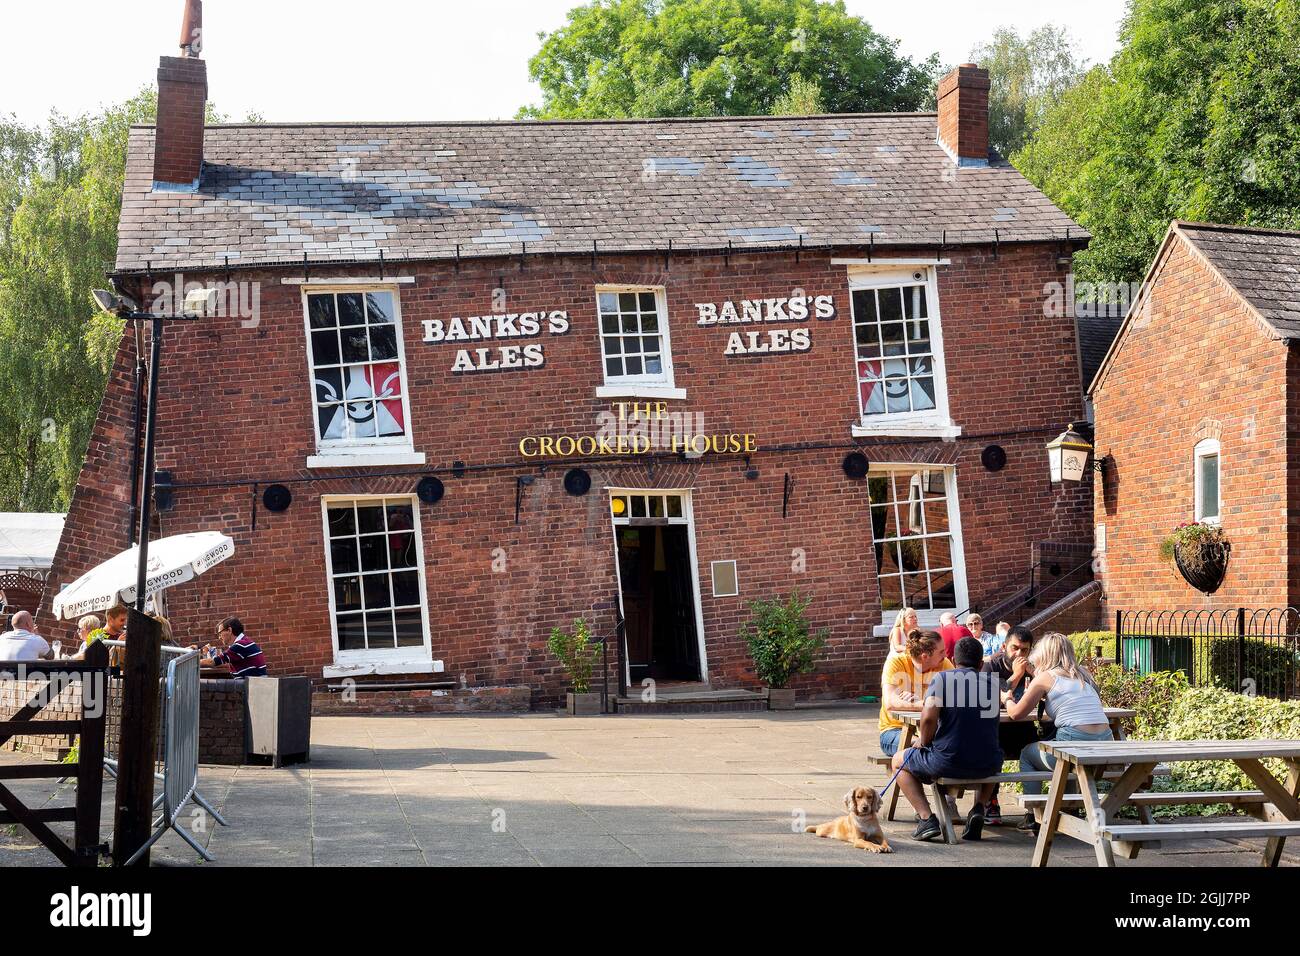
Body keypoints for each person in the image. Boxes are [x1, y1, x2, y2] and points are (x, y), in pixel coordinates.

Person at [890, 636, 1004, 842]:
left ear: (953, 658)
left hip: (948, 762)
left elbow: (927, 718)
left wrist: (923, 742)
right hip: (987, 764)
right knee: (994, 754)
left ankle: (926, 818)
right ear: (981, 664)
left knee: (898, 760)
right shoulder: (993, 684)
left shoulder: (942, 679)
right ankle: (978, 808)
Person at [1004, 632, 1114, 829]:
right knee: (1068, 757)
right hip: (1105, 742)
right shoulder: (1084, 674)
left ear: (1044, 655)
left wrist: (1007, 699)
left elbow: (1015, 714)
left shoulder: (1045, 678)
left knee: (1028, 754)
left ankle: (1034, 814)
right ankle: (1072, 809)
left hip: (1074, 743)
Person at [980, 624, 1037, 824]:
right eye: (1015, 648)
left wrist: (1036, 677)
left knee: (1038, 748)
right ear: (1004, 647)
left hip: (1023, 728)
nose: (1019, 653)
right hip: (996, 731)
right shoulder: (991, 667)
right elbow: (986, 700)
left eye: (1024, 650)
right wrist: (1016, 675)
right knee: (990, 750)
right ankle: (990, 800)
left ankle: (1033, 809)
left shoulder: (1034, 669)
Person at [877, 630, 952, 758]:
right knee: (921, 748)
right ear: (925, 656)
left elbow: (954, 699)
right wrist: (925, 704)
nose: (945, 654)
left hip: (932, 728)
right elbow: (890, 702)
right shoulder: (896, 662)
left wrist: (914, 703)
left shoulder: (944, 664)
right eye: (941, 652)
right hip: (895, 730)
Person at [201, 617, 267, 677]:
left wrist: (195, 661)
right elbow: (225, 663)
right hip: (255, 684)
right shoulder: (244, 641)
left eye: (220, 633)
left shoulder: (240, 645)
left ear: (229, 630)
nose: (219, 637)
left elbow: (213, 662)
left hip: (253, 687)